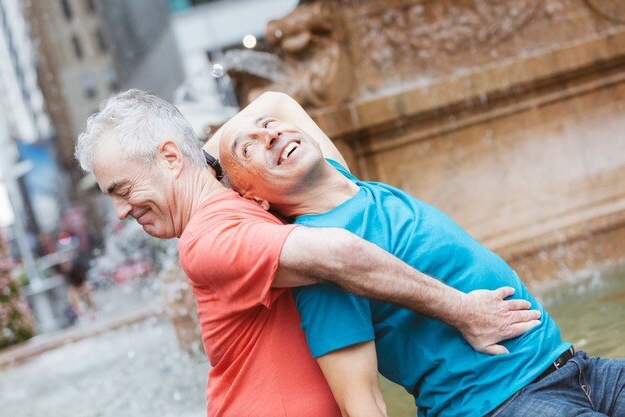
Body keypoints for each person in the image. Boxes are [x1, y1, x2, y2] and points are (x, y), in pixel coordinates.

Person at [75, 90, 540, 417]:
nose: (119, 211)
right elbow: (338, 254)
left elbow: (276, 104)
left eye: (121, 188)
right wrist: (463, 310)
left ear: (173, 159)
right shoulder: (211, 235)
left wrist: (204, 160)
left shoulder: (251, 200)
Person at [214, 94, 625, 417]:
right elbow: (360, 405)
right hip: (500, 404)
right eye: (249, 151)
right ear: (253, 198)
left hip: (574, 367)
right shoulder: (318, 261)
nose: (269, 135)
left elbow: (277, 101)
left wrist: (209, 156)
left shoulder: (343, 181)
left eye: (268, 128)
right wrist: (204, 182)